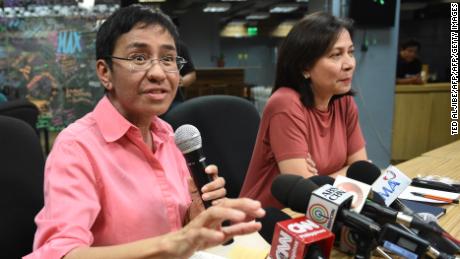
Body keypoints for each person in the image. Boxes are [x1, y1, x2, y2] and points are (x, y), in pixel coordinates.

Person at [24, 5, 264, 259]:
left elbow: (176, 229)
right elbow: (60, 253)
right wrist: (170, 244)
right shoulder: (77, 146)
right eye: (139, 58)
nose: (159, 73)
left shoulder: (169, 135)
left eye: (168, 59)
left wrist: (194, 216)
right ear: (105, 72)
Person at [239, 12, 367, 209]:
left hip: (326, 212)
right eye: (336, 55)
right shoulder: (285, 104)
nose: (349, 64)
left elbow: (362, 170)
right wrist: (343, 173)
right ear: (305, 66)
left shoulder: (344, 102)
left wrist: (320, 179)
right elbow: (308, 196)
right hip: (267, 222)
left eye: (350, 52)